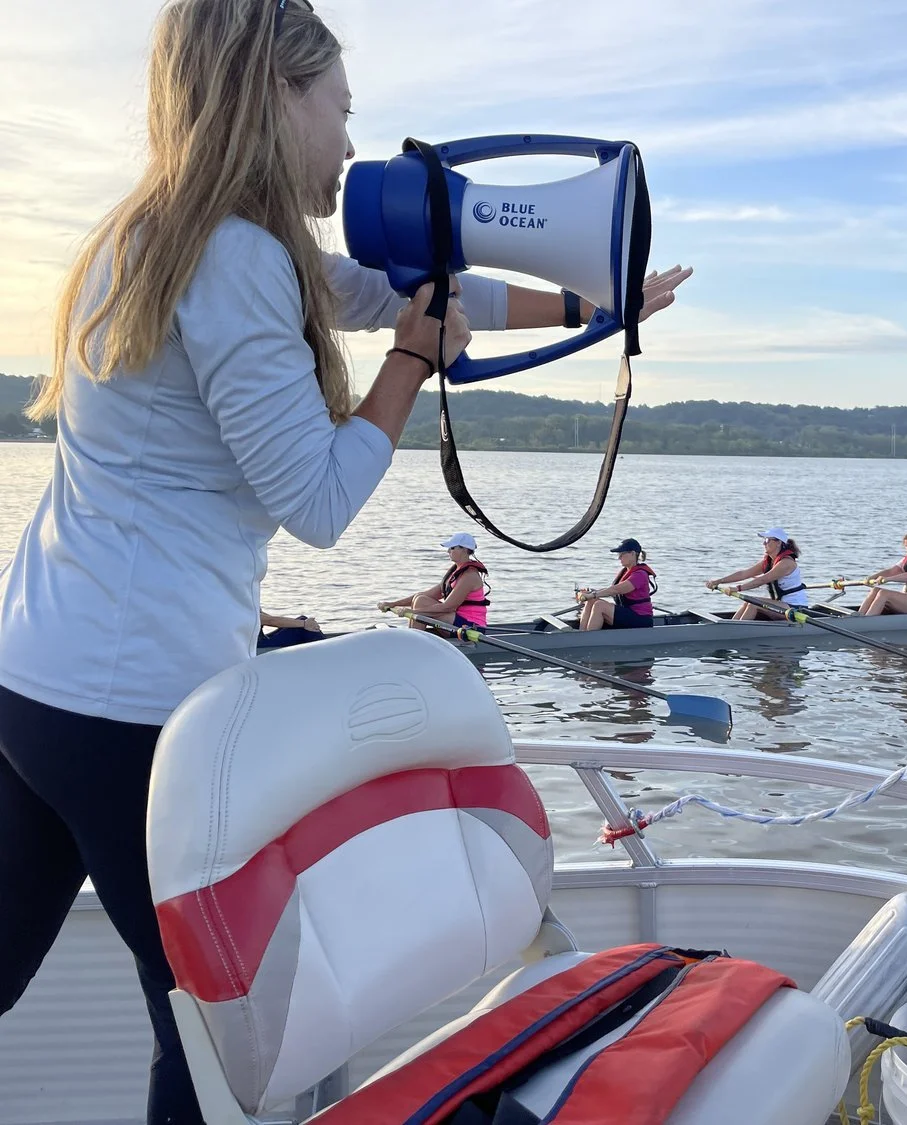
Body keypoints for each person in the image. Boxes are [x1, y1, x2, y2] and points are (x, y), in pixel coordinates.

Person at [0, 5, 691, 1122]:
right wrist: (411, 367)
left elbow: (398, 296)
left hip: (35, 683)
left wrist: (592, 302)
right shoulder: (233, 260)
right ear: (279, 93)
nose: (347, 144)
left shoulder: (161, 236)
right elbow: (320, 498)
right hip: (132, 710)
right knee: (219, 1037)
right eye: (343, 110)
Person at [378, 533, 491, 631]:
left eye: (452, 548)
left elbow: (448, 607)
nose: (448, 551)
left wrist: (412, 612)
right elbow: (424, 595)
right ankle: (414, 637)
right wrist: (392, 604)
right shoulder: (456, 572)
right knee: (420, 598)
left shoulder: (469, 576)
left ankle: (414, 641)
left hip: (471, 626)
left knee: (421, 602)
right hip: (456, 621)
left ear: (464, 550)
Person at [707, 528, 809, 621]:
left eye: (767, 540)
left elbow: (762, 580)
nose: (764, 544)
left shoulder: (786, 563)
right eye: (764, 540)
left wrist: (737, 588)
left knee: (753, 603)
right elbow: (744, 574)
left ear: (778, 543)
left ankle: (737, 630)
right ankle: (730, 626)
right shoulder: (769, 562)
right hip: (781, 605)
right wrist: (719, 581)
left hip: (795, 608)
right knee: (747, 602)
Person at [577, 538, 656, 630]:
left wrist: (592, 595)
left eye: (622, 554)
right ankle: (581, 633)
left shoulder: (640, 575)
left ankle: (588, 640)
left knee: (599, 605)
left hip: (641, 619)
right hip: (628, 614)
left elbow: (615, 590)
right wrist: (589, 594)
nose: (619, 557)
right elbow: (611, 589)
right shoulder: (625, 572)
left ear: (633, 554)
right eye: (619, 554)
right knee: (592, 601)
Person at [258, 609, 324, 649]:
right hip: (256, 647)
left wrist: (305, 623)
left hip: (260, 639)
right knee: (301, 629)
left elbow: (270, 618)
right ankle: (325, 652)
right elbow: (270, 621)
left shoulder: (249, 604)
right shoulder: (247, 609)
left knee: (302, 620)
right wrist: (304, 624)